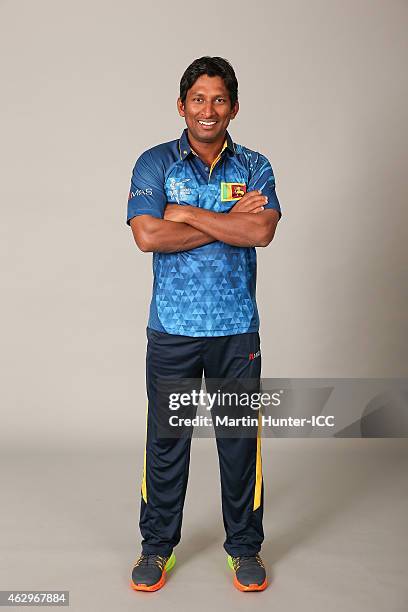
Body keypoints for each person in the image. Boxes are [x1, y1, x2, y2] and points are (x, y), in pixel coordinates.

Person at [126, 56, 282, 592]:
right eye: (198, 98)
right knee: (165, 441)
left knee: (240, 442)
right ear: (181, 105)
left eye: (219, 99)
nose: (208, 109)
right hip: (171, 329)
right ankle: (155, 548)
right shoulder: (154, 163)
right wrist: (229, 224)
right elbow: (147, 236)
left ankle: (244, 548)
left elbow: (261, 232)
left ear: (234, 107)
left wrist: (187, 214)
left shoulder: (255, 166)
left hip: (237, 331)